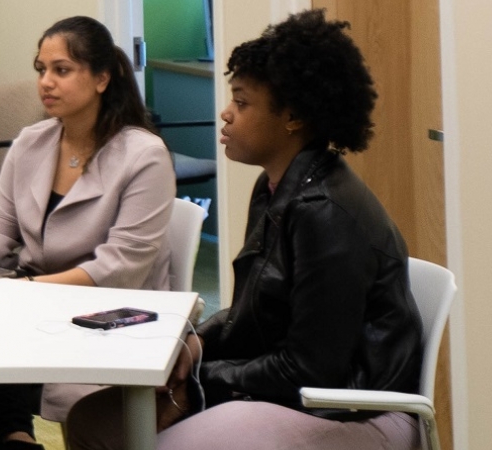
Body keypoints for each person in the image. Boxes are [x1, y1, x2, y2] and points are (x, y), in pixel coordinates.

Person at [63, 10, 424, 450]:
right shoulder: (273, 187)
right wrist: (195, 345)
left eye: (242, 102)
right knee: (91, 420)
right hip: (291, 394)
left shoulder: (325, 213)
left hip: (356, 410)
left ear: (292, 116)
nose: (226, 113)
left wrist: (197, 378)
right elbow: (253, 313)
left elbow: (310, 370)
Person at [0, 16, 176, 450]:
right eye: (41, 69)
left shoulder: (143, 155)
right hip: (36, 303)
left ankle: (7, 438)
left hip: (109, 314)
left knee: (1, 341)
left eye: (62, 70)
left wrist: (26, 291)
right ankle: (13, 438)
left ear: (102, 78)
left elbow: (120, 267)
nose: (46, 82)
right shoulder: (32, 142)